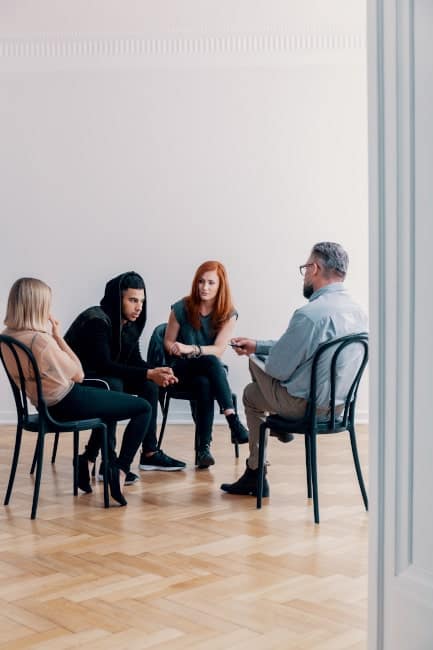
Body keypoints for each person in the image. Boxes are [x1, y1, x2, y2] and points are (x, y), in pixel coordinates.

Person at [220, 241, 368, 497]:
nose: (304, 276)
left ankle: (257, 470)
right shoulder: (359, 313)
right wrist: (258, 345)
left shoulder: (309, 315)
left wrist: (254, 353)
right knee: (257, 384)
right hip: (340, 408)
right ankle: (274, 434)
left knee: (250, 392)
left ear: (315, 268)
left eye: (305, 268)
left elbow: (278, 369)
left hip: (304, 407)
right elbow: (306, 350)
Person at [1, 277, 153, 506]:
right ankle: (119, 470)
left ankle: (88, 460)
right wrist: (57, 337)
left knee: (112, 396)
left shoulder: (7, 337)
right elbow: (79, 374)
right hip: (67, 402)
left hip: (44, 405)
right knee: (143, 408)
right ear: (36, 305)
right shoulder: (41, 341)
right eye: (47, 304)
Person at [65, 271, 185, 479]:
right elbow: (103, 365)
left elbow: (134, 361)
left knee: (149, 386)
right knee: (114, 385)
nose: (139, 307)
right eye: (132, 300)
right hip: (76, 381)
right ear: (117, 298)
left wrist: (158, 372)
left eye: (141, 301)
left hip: (104, 377)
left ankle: (149, 451)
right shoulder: (97, 320)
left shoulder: (128, 324)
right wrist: (149, 373)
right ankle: (108, 462)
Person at [164, 260, 249, 468]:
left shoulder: (228, 314)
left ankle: (203, 450)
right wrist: (175, 347)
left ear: (220, 286)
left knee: (205, 381)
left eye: (211, 283)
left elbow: (219, 349)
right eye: (201, 282)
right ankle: (233, 420)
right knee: (210, 362)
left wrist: (191, 348)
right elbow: (167, 340)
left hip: (209, 374)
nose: (205, 287)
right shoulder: (181, 307)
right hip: (180, 370)